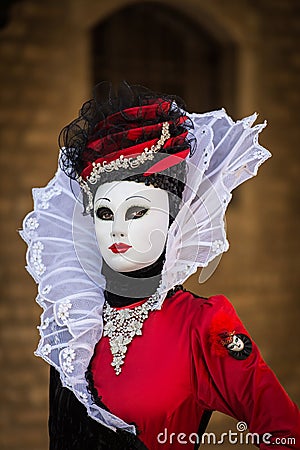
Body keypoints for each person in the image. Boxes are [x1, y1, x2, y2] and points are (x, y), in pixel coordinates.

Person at [21, 82, 300, 450]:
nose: (118, 228)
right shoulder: (74, 320)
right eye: (105, 213)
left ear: (173, 218)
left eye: (137, 211)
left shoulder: (203, 326)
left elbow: (286, 433)